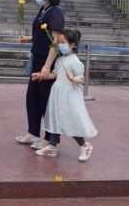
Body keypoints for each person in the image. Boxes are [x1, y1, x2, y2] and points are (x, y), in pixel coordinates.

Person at [31, 29, 97, 160]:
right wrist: (41, 76)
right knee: (57, 119)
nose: (60, 45)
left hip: (69, 95)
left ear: (72, 45)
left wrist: (73, 79)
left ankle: (84, 145)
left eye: (62, 42)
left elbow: (81, 79)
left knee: (69, 121)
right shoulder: (60, 59)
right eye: (59, 42)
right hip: (58, 93)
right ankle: (52, 146)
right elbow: (55, 74)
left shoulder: (76, 62)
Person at [15, 0, 64, 150]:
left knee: (46, 100)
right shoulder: (43, 10)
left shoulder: (55, 12)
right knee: (32, 97)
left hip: (46, 60)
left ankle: (50, 138)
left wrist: (47, 66)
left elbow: (55, 41)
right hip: (36, 58)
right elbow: (42, 35)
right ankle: (33, 131)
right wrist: (29, 39)